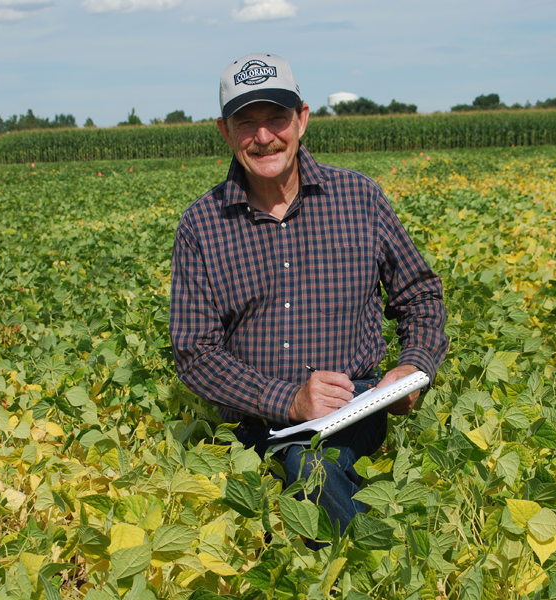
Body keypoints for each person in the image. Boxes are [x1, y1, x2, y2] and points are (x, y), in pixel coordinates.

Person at [169, 53, 448, 535]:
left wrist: (412, 365)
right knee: (303, 465)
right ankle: (385, 558)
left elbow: (419, 294)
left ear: (301, 119)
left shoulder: (359, 198)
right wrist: (288, 400)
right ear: (224, 131)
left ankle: (368, 559)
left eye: (276, 117)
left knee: (307, 466)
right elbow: (195, 353)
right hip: (253, 420)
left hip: (355, 403)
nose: (263, 137)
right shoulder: (201, 225)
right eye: (246, 122)